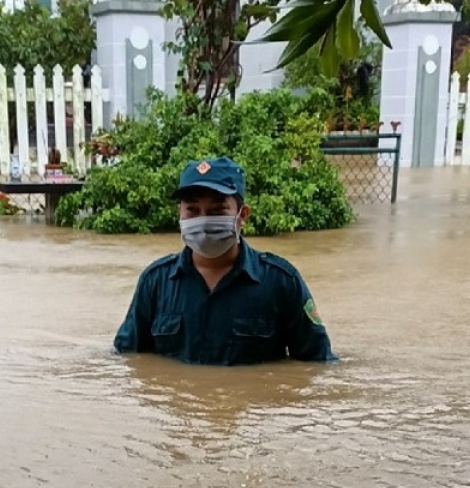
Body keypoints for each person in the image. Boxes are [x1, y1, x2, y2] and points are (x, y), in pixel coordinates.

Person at [113, 156, 337, 366]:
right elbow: (129, 360)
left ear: (243, 215)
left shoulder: (281, 281)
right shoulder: (155, 282)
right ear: (179, 214)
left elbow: (316, 365)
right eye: (192, 210)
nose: (203, 220)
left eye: (217, 210)